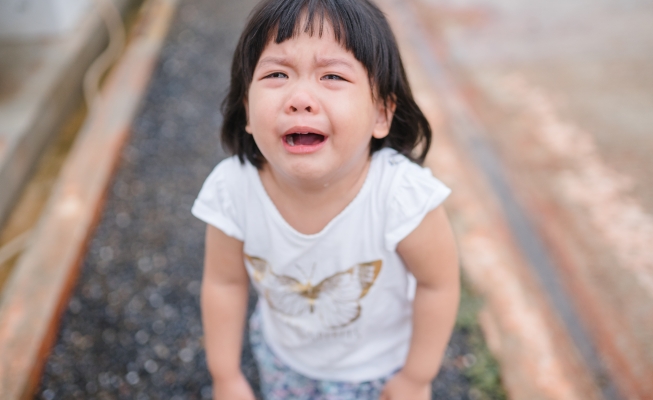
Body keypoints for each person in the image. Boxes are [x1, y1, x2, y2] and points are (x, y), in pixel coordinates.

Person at [191, 0, 460, 398]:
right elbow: (224, 282)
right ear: (247, 108)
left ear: (382, 114)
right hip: (282, 359)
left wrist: (416, 377)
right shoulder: (234, 190)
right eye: (277, 74)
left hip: (379, 370)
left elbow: (437, 284)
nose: (300, 98)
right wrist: (226, 375)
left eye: (332, 75)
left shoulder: (401, 198)